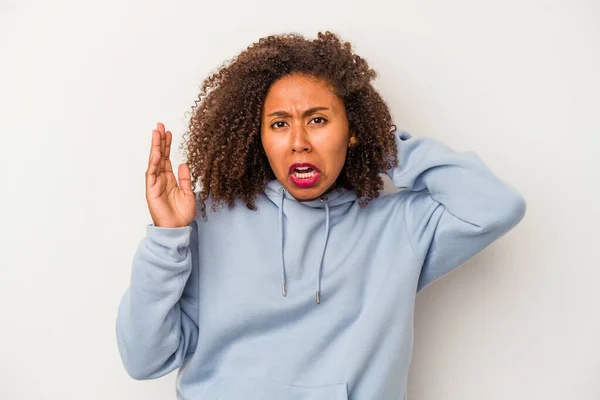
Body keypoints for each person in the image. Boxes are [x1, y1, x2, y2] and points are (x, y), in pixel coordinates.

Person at [115, 31, 527, 400]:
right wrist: (168, 238)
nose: (299, 142)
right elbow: (144, 360)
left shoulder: (399, 227)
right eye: (279, 124)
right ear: (257, 137)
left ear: (351, 128)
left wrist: (383, 147)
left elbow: (494, 206)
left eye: (318, 120)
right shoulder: (210, 218)